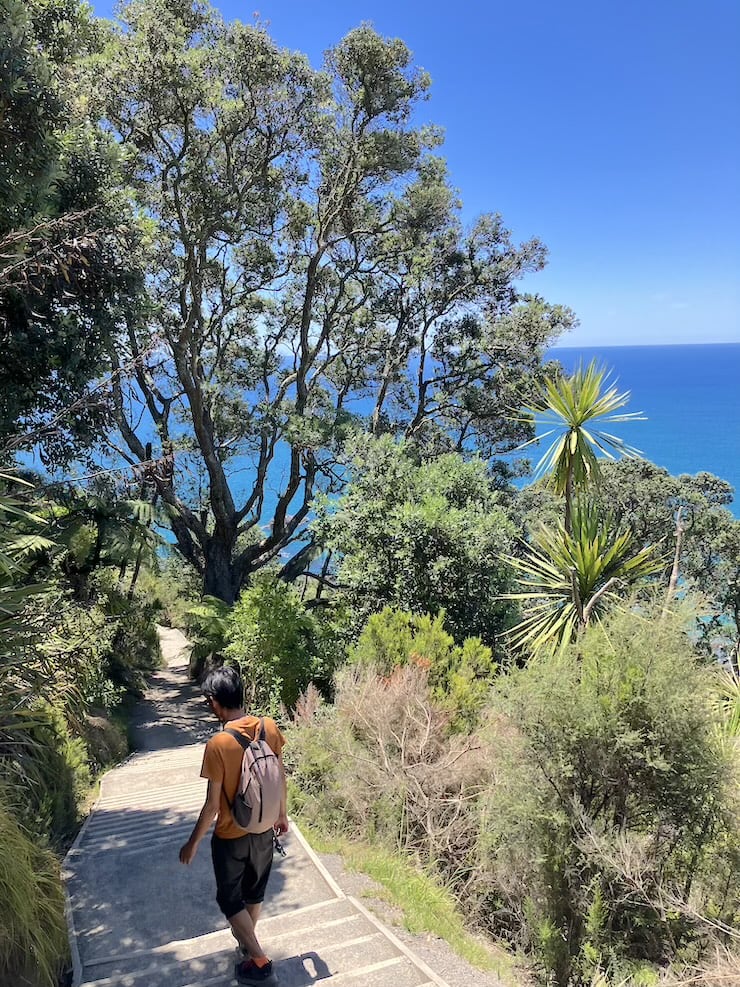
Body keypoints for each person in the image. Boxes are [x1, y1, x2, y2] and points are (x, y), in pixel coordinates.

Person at [179, 666, 288, 986]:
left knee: (229, 900)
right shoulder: (268, 726)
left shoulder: (218, 744)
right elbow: (279, 775)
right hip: (265, 830)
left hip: (231, 836)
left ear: (214, 702)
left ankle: (259, 958)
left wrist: (193, 842)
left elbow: (212, 804)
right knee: (253, 892)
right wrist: (282, 814)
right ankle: (246, 944)